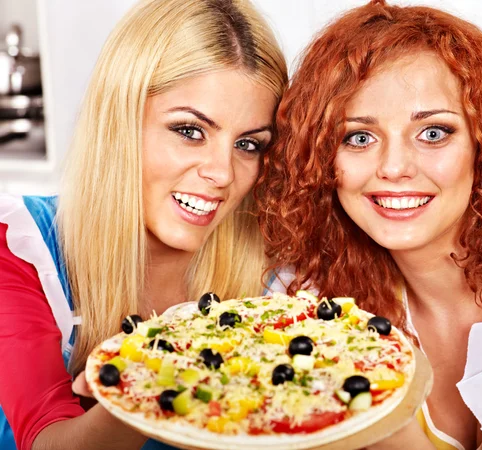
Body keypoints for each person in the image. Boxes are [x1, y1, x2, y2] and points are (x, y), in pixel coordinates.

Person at [257, 1, 482, 449]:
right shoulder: (306, 300)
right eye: (359, 137)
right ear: (323, 160)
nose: (394, 167)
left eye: (433, 133)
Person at [0, 0, 287, 448]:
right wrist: (144, 386)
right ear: (120, 119)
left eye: (248, 144)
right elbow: (46, 439)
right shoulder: (21, 248)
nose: (224, 173)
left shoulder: (279, 285)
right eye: (190, 131)